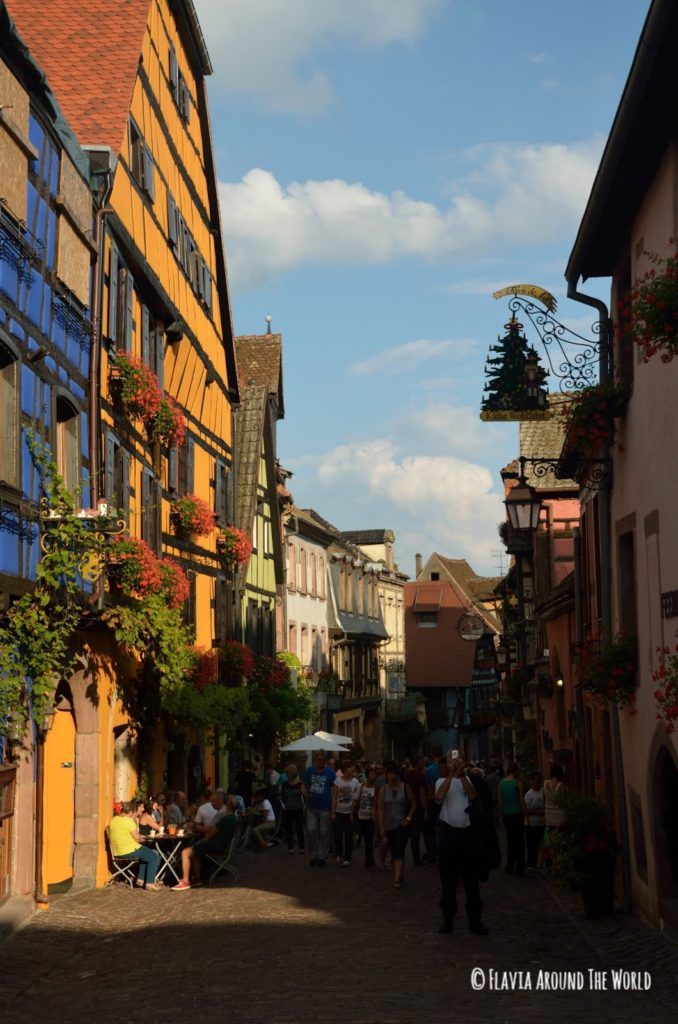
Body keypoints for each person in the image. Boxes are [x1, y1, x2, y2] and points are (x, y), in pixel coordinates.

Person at [436, 753, 487, 935]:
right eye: (450, 760)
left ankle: (475, 921)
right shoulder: (441, 780)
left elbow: (472, 795)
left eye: (456, 760)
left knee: (471, 881)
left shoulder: (469, 780)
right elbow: (439, 796)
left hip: (467, 836)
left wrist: (462, 773)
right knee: (448, 882)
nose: (454, 762)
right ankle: (448, 918)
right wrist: (451, 775)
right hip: (449, 834)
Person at [172, 796, 239, 890]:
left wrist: (204, 838)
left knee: (185, 852)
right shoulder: (233, 818)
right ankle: (197, 878)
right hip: (222, 846)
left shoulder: (225, 819)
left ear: (226, 805)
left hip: (216, 846)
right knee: (196, 850)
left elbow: (211, 833)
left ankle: (185, 881)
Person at [377, 763, 416, 889]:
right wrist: (381, 826)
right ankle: (400, 873)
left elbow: (414, 803)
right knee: (395, 851)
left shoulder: (405, 787)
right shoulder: (383, 790)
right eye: (389, 773)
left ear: (398, 775)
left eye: (394, 773)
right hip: (389, 825)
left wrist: (408, 818)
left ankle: (396, 879)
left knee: (399, 849)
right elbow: (381, 808)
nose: (391, 776)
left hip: (402, 824)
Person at [109, 801, 162, 890]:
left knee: (147, 855)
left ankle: (140, 879)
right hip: (130, 850)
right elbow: (137, 838)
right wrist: (143, 838)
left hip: (117, 852)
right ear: (130, 812)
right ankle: (150, 882)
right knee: (154, 855)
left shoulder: (114, 820)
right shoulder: (129, 822)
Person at [302, 749, 336, 867]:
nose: (320, 761)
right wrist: (304, 792)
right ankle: (313, 855)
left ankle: (322, 856)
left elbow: (335, 787)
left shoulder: (330, 772)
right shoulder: (309, 771)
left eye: (322, 759)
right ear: (315, 759)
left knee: (324, 832)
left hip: (325, 806)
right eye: (318, 759)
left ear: (325, 761)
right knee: (311, 831)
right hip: (311, 806)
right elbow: (303, 784)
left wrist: (333, 804)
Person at [332, 761, 361, 866]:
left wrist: (353, 812)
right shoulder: (338, 781)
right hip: (339, 811)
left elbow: (357, 798)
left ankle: (347, 857)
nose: (352, 770)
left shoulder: (355, 782)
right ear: (345, 770)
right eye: (350, 768)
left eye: (353, 769)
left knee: (349, 836)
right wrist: (333, 812)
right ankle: (339, 851)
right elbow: (334, 797)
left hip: (350, 813)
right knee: (338, 835)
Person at [499, 764, 526, 876]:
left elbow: (500, 800)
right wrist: (526, 814)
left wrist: (500, 815)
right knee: (519, 841)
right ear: (515, 772)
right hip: (517, 813)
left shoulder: (501, 783)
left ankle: (510, 864)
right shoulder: (518, 783)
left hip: (506, 813)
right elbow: (521, 799)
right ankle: (520, 866)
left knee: (510, 839)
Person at [404, 756, 428, 867]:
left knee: (413, 835)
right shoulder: (420, 775)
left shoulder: (407, 775)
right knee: (417, 834)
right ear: (418, 763)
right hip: (417, 807)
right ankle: (419, 858)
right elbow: (422, 793)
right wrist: (425, 810)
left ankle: (415, 858)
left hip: (408, 806)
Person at [543, 763, 566, 866]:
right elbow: (562, 802)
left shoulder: (545, 784)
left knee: (551, 840)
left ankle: (551, 862)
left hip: (549, 815)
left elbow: (545, 799)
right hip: (558, 816)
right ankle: (558, 863)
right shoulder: (560, 786)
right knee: (560, 841)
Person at [280, 764, 305, 855]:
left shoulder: (300, 784)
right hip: (288, 810)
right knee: (289, 829)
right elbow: (281, 796)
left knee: (299, 828)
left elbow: (304, 794)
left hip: (298, 809)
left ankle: (301, 847)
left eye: (287, 773)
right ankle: (290, 847)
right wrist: (282, 802)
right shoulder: (285, 784)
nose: (286, 775)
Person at [524, 771, 546, 869]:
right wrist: (538, 813)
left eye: (538, 780)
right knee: (532, 845)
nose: (537, 782)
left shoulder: (543, 792)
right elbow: (525, 809)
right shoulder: (529, 794)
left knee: (545, 845)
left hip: (542, 823)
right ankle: (531, 864)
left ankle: (545, 864)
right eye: (535, 780)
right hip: (531, 824)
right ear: (531, 782)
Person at [357, 765, 377, 867]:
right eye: (372, 774)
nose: (374, 776)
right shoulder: (361, 786)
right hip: (361, 815)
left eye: (374, 774)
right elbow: (357, 800)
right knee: (365, 837)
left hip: (371, 817)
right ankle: (369, 855)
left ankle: (368, 857)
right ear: (367, 776)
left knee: (369, 836)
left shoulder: (377, 788)